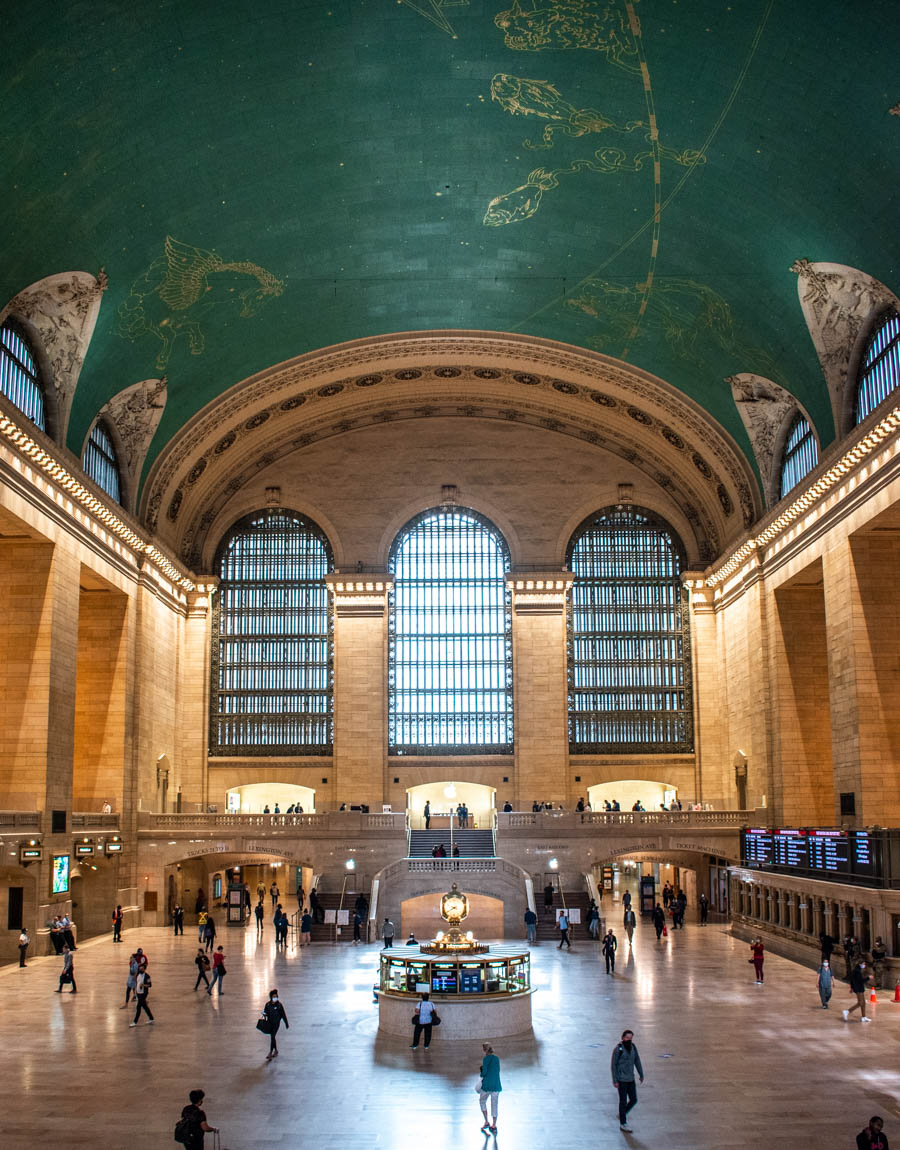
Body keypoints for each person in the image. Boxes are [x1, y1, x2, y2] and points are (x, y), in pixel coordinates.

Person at [611, 1028, 644, 1133]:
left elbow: (637, 1060)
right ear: (622, 1038)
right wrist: (615, 1080)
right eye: (626, 1038)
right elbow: (613, 1065)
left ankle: (622, 1113)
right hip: (621, 1080)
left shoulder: (633, 1047)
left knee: (634, 1099)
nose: (628, 1040)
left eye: (630, 1038)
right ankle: (623, 1123)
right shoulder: (618, 1050)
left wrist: (641, 1073)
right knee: (623, 1101)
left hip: (631, 1079)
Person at [478, 1042, 502, 1134]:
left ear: (484, 1050)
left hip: (487, 1085)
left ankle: (486, 1121)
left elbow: (484, 1072)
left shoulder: (485, 1059)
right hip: (496, 1084)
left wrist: (481, 1074)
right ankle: (494, 1125)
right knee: (494, 1104)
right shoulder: (497, 1059)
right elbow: (497, 1070)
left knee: (482, 1101)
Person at [262, 989, 289, 1060]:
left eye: (276, 996)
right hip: (270, 1023)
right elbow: (265, 1012)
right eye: (274, 996)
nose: (275, 998)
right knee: (273, 1037)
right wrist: (264, 1015)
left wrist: (286, 1023)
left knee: (272, 1036)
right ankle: (276, 1050)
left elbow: (283, 1015)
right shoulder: (267, 1005)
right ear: (271, 997)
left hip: (276, 1024)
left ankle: (270, 1052)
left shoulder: (279, 1005)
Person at [843, 960, 871, 1024]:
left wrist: (851, 988)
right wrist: (868, 978)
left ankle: (863, 1017)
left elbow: (851, 980)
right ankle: (847, 1011)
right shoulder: (857, 971)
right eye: (863, 964)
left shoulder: (855, 970)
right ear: (860, 964)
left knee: (863, 1003)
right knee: (860, 1003)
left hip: (858, 988)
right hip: (858, 989)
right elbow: (861, 981)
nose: (864, 965)